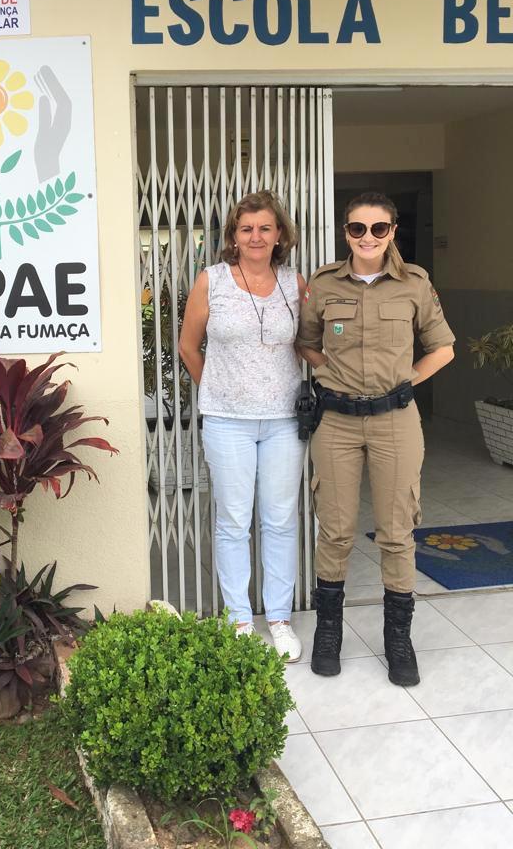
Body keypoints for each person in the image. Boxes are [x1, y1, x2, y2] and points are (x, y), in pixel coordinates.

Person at [297, 191, 455, 687]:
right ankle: (328, 634)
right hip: (337, 422)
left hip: (395, 421)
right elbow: (306, 341)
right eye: (358, 229)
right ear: (346, 232)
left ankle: (398, 638)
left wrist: (406, 379)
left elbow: (443, 348)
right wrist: (332, 374)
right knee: (336, 529)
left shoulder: (414, 284)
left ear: (393, 231)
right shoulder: (323, 284)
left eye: (378, 228)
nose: (368, 238)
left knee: (396, 530)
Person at [179, 191, 307, 661]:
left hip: (284, 422)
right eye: (246, 228)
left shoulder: (296, 284)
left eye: (265, 228)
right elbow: (188, 346)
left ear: (280, 235)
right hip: (228, 423)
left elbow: (307, 346)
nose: (256, 237)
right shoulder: (210, 280)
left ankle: (278, 618)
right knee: (233, 521)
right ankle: (238, 617)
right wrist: (219, 391)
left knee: (279, 520)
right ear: (234, 236)